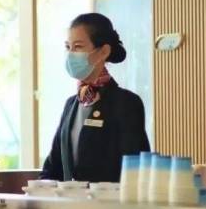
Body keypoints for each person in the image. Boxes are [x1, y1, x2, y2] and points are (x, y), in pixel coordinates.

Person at [41, 13, 150, 183]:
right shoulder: (72, 103)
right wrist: (42, 187)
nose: (70, 54)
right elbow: (54, 166)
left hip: (109, 198)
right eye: (68, 47)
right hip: (70, 198)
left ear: (103, 52)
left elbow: (134, 169)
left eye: (78, 47)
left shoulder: (126, 102)